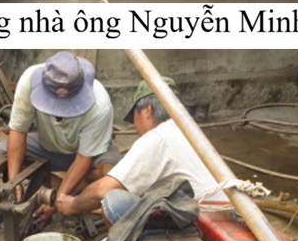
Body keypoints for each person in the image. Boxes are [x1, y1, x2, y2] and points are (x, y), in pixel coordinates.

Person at [55, 79, 228, 224]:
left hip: (204, 221)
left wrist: (72, 205)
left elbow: (102, 190)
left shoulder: (158, 138)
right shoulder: (189, 132)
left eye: (134, 118)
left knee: (114, 202)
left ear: (147, 111)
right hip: (226, 213)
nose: (135, 128)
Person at [0, 51, 120, 225]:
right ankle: (64, 189)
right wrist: (14, 181)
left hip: (84, 153)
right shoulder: (29, 81)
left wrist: (56, 201)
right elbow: (18, 130)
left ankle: (64, 193)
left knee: (109, 172)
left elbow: (83, 158)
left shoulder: (100, 104)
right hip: (46, 146)